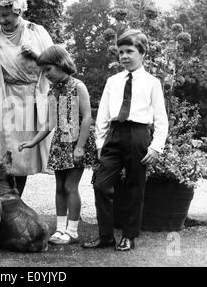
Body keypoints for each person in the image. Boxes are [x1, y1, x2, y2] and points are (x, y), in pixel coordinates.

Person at [81, 29, 169, 251]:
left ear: (143, 53)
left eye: (130, 51)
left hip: (138, 136)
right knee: (101, 185)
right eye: (121, 52)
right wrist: (101, 144)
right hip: (114, 135)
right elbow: (102, 114)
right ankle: (106, 236)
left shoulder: (152, 83)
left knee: (135, 188)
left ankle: (129, 235)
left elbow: (161, 118)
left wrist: (156, 146)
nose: (124, 56)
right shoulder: (113, 81)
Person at [0, 0, 54, 196]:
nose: (1, 20)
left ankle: (15, 202)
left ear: (18, 9)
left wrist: (38, 56)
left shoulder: (36, 32)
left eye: (6, 15)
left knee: (21, 158)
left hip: (29, 102)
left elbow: (57, 66)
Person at [19, 45, 97, 244]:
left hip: (76, 142)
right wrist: (32, 142)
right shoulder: (53, 91)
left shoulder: (77, 86)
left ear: (62, 64)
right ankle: (60, 229)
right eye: (43, 71)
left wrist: (80, 147)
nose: (45, 75)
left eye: (48, 70)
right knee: (59, 187)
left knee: (71, 186)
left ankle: (72, 231)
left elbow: (87, 117)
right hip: (60, 143)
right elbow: (50, 123)